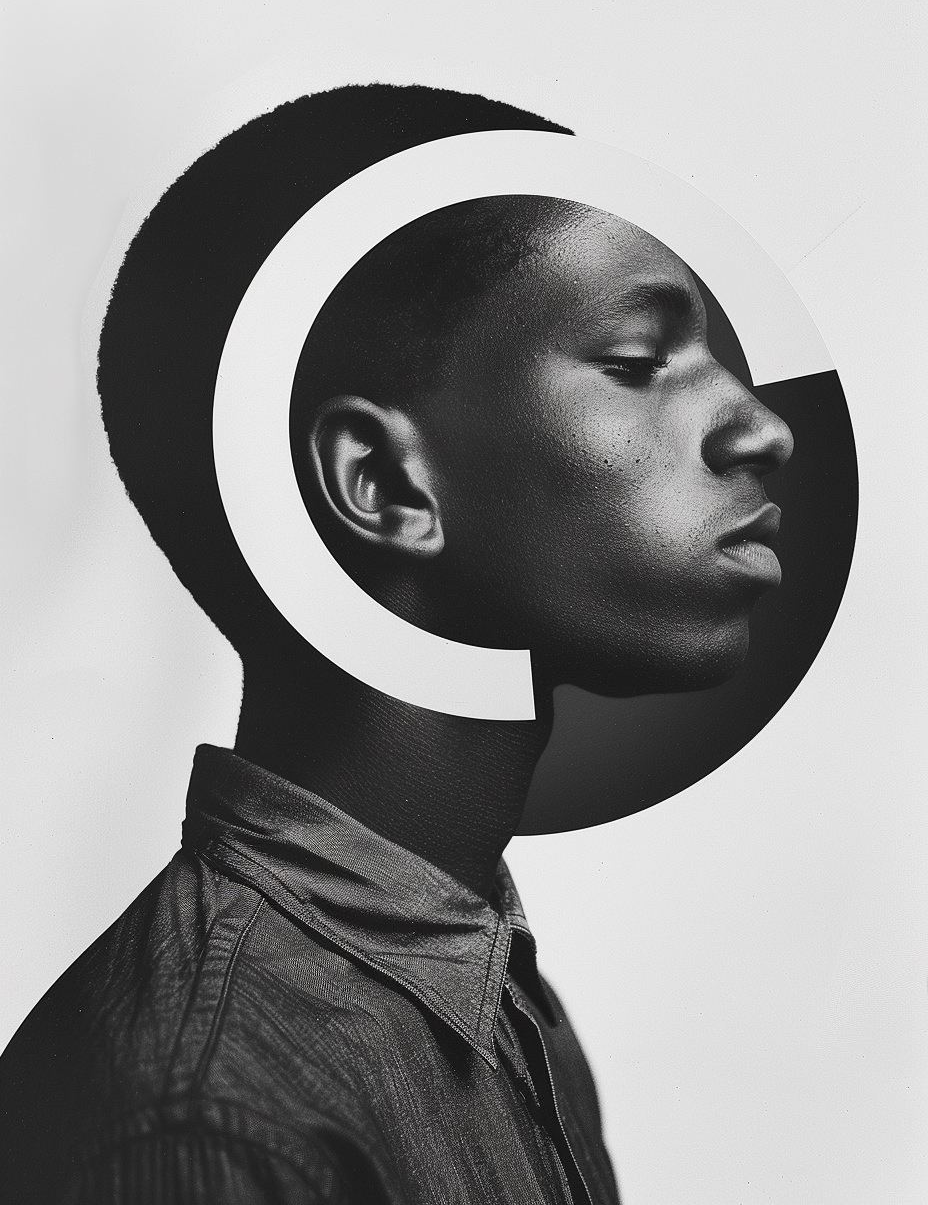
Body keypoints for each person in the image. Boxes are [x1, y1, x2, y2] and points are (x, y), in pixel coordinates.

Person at [0, 85, 792, 1204]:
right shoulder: (210, 1111)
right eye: (634, 361)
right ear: (382, 483)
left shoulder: (497, 989)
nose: (763, 427)